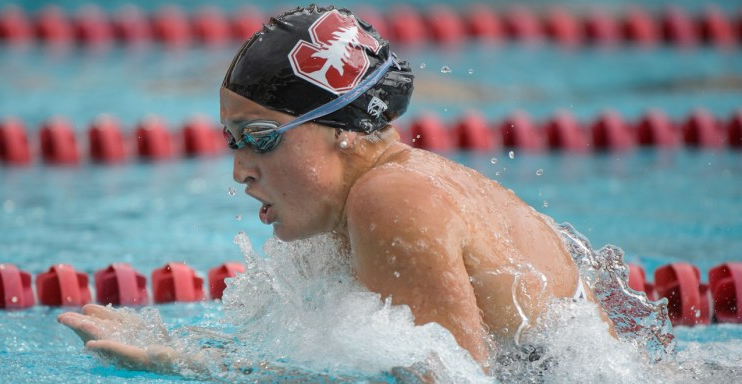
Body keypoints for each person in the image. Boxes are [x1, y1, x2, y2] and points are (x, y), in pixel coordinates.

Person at [58, 4, 614, 376]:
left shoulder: (391, 199)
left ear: (342, 130)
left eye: (260, 138)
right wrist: (194, 351)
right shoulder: (370, 198)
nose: (241, 171)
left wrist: (190, 367)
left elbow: (444, 381)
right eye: (233, 142)